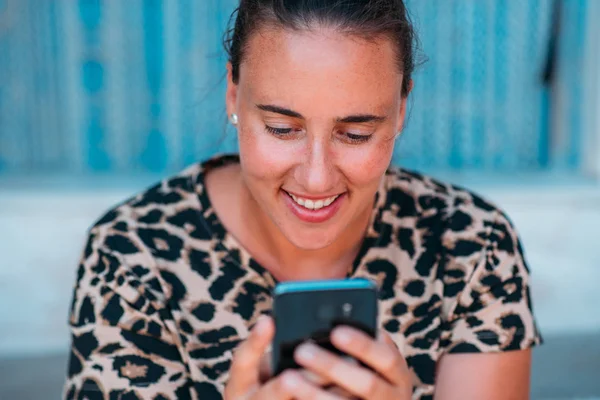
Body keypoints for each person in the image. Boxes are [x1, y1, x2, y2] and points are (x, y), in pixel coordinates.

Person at [62, 0, 543, 399]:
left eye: (356, 133)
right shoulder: (132, 257)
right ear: (233, 95)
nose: (315, 178)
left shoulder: (471, 246)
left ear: (400, 110)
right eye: (282, 129)